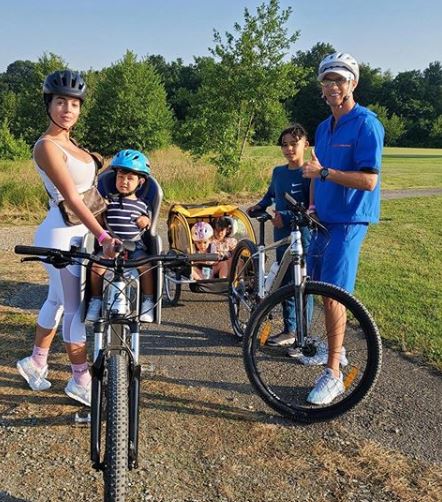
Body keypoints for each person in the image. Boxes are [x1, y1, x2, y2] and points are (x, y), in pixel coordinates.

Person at [16, 70, 120, 407]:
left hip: (80, 231)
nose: (68, 109)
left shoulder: (72, 143)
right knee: (74, 308)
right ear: (49, 104)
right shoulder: (46, 146)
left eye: (74, 103)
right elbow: (72, 198)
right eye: (61, 101)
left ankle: (35, 362)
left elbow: (89, 191)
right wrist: (102, 234)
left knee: (57, 302)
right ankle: (79, 380)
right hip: (62, 234)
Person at [300, 52, 384, 405]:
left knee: (335, 293)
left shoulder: (367, 124)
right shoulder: (323, 126)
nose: (333, 86)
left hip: (350, 221)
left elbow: (368, 180)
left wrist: (324, 174)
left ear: (353, 83)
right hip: (323, 219)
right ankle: (338, 350)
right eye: (327, 80)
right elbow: (318, 167)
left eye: (340, 79)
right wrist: (313, 206)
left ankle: (333, 374)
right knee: (321, 290)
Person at [247, 124, 311, 345]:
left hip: (303, 236)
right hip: (281, 234)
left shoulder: (309, 173)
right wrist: (258, 206)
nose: (289, 149)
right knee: (284, 282)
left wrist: (283, 213)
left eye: (294, 144)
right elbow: (270, 196)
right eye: (285, 145)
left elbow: (309, 206)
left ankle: (305, 334)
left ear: (306, 145)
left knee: (302, 284)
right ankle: (290, 329)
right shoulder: (279, 172)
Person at [86, 149, 155, 323]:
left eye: (130, 178)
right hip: (110, 247)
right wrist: (99, 213)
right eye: (120, 177)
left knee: (146, 267)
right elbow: (99, 223)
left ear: (140, 182)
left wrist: (145, 220)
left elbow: (149, 222)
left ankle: (147, 300)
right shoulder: (108, 201)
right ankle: (96, 300)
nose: (124, 182)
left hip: (134, 247)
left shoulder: (142, 204)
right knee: (96, 267)